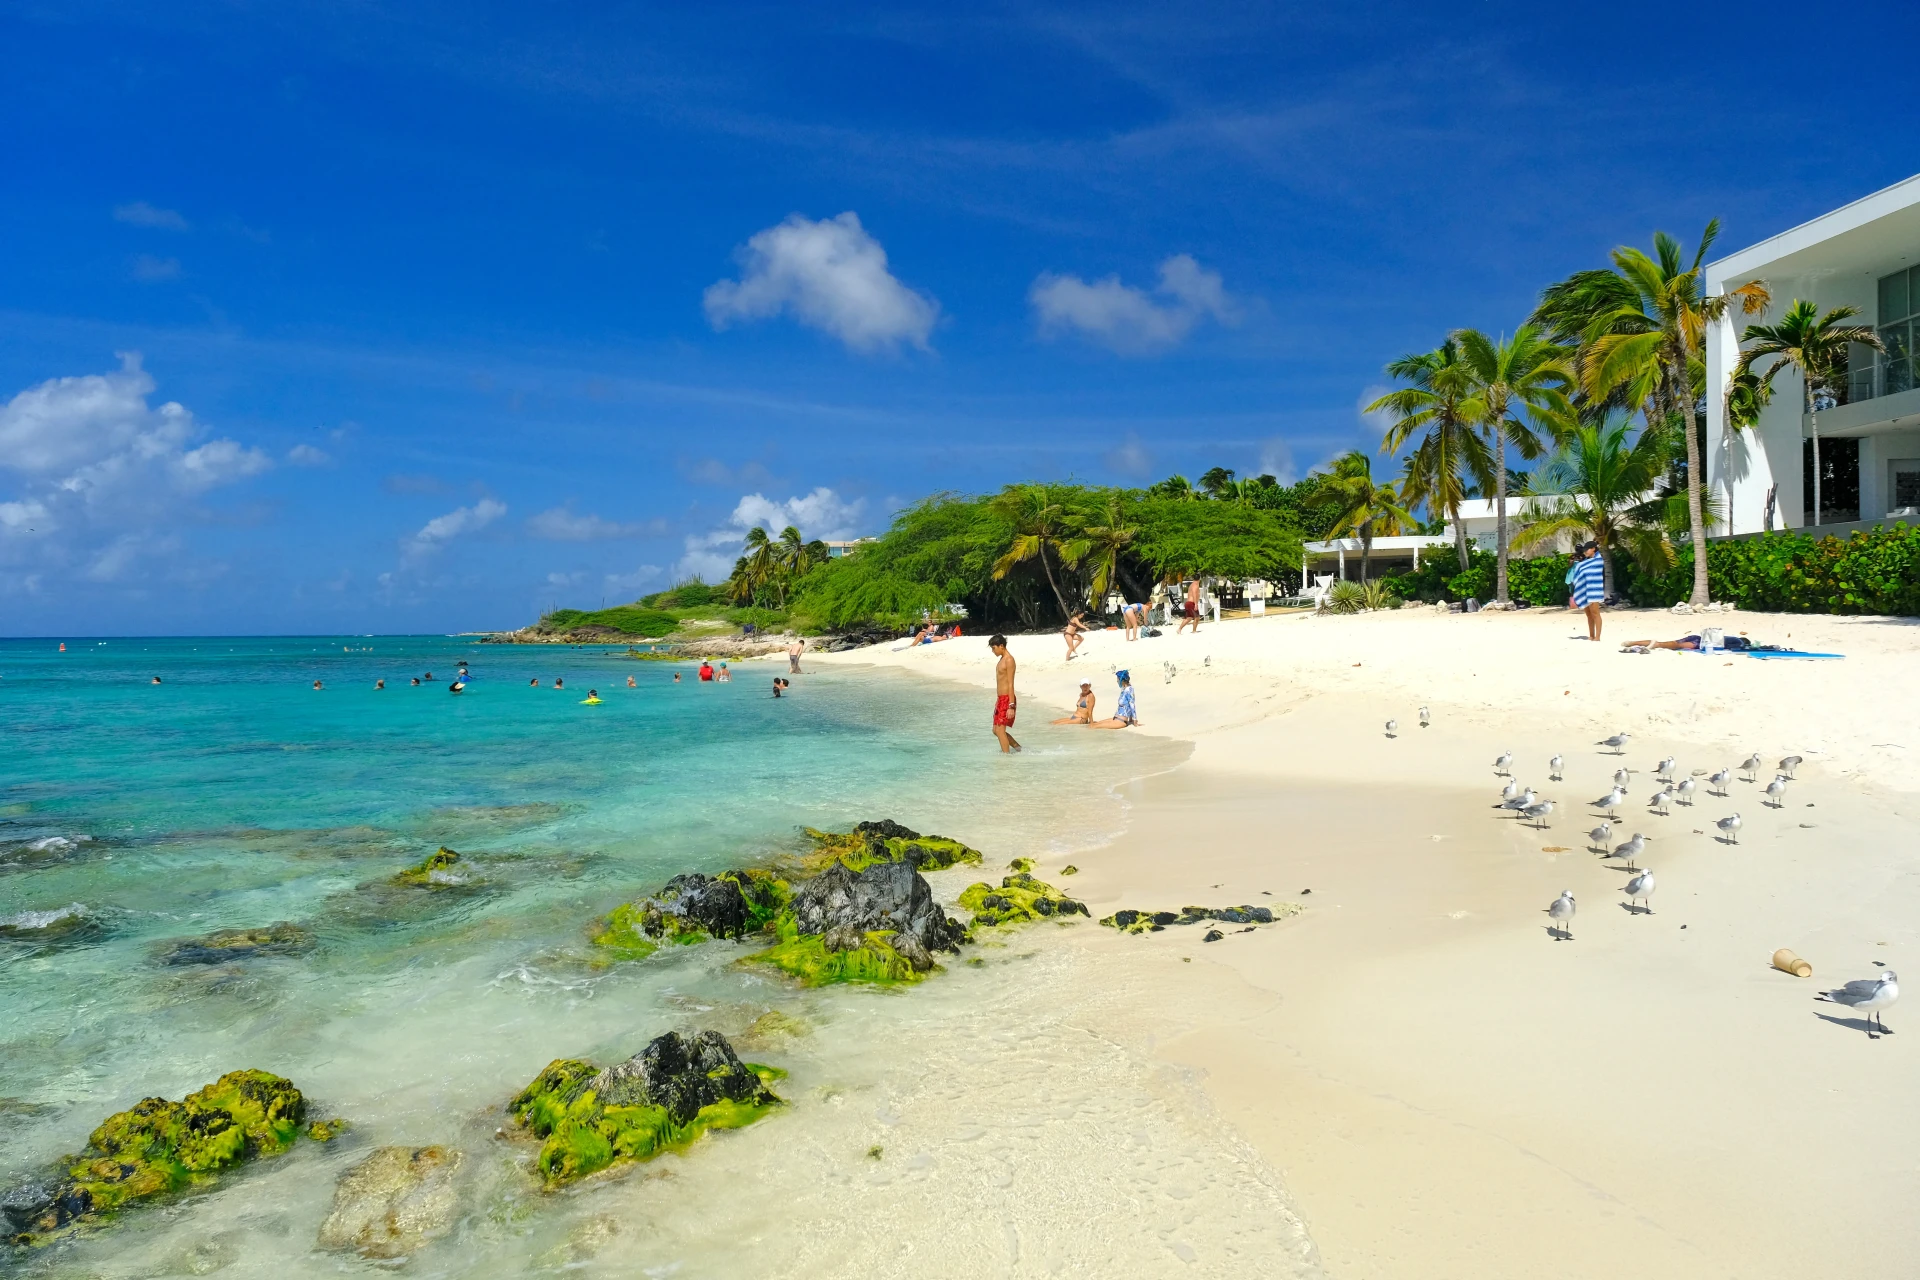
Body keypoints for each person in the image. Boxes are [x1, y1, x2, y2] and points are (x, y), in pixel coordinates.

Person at [989, 634, 1020, 753]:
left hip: (1007, 699)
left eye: (994, 648)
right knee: (995, 730)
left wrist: (1011, 705)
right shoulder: (1001, 659)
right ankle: (1019, 749)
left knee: (1000, 731)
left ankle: (1006, 759)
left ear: (1001, 646)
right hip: (1001, 699)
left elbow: (1011, 684)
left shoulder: (1009, 660)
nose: (993, 651)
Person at [1569, 542, 1606, 641]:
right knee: (1589, 615)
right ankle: (1591, 635)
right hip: (1585, 590)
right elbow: (1579, 574)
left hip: (1594, 590)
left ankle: (1597, 637)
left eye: (1587, 549)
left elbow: (1595, 573)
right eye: (1584, 550)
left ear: (1593, 549)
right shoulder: (1584, 563)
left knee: (1595, 613)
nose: (1585, 552)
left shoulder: (1598, 561)